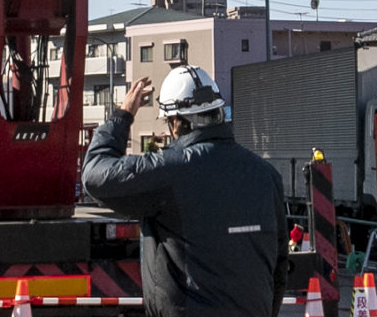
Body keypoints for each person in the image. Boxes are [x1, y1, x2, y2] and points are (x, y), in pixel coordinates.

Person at [81, 65, 295, 317]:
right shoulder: (266, 175)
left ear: (175, 124)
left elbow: (95, 174)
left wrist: (122, 116)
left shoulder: (170, 171)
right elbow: (279, 266)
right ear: (218, 113)